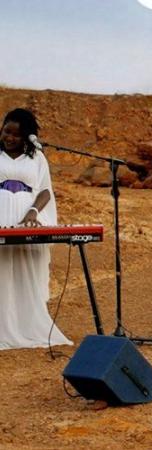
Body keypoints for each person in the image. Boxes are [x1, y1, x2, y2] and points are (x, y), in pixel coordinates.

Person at [0, 108, 72, 350]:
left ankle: (25, 326)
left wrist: (33, 212)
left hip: (25, 216)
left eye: (16, 134)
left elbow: (44, 191)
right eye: (6, 131)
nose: (9, 137)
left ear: (27, 136)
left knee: (24, 270)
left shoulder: (37, 158)